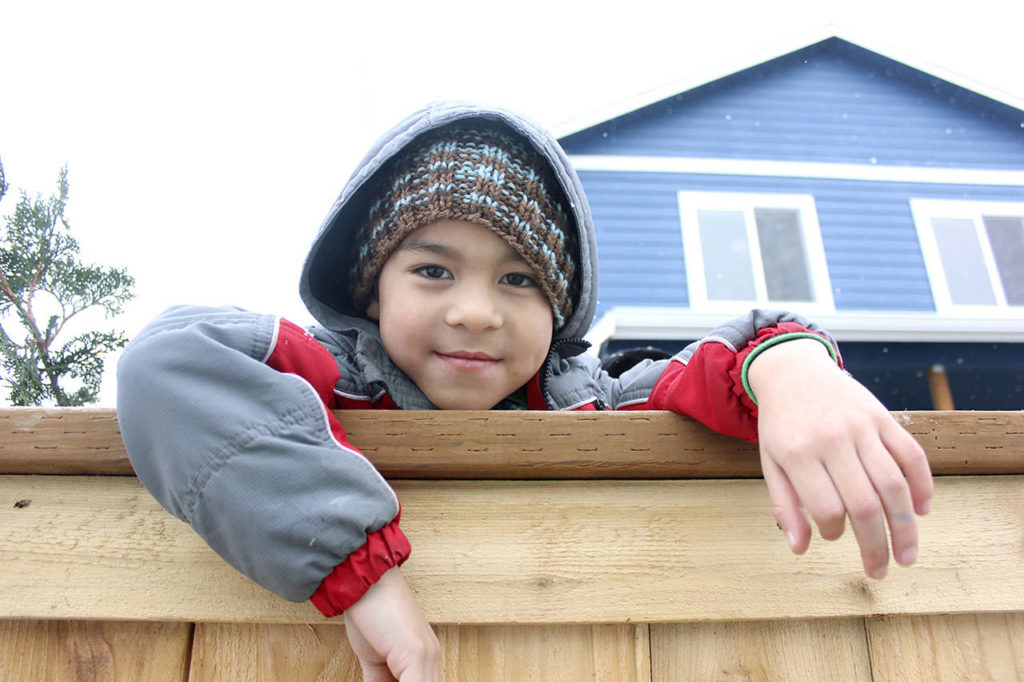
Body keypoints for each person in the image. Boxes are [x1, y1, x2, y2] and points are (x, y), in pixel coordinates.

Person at [117, 101, 933, 680]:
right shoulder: (330, 375)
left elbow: (718, 364)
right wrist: (353, 568)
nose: (475, 312)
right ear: (371, 290)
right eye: (433, 270)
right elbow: (170, 362)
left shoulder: (594, 404)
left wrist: (791, 369)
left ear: (561, 309)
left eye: (518, 279)